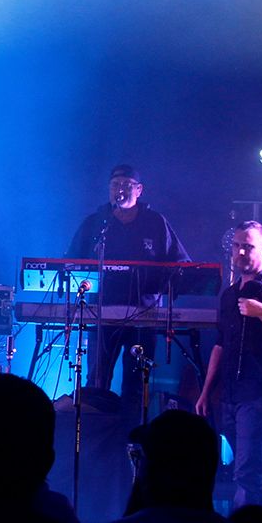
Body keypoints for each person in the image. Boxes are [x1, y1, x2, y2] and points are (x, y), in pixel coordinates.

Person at [195, 221, 262, 510]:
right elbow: (220, 344)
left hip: (260, 391)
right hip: (230, 392)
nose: (241, 252)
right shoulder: (229, 294)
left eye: (248, 247)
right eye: (237, 246)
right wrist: (206, 391)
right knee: (240, 465)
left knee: (247, 471)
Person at [65, 163, 190, 397]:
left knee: (136, 382)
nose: (120, 189)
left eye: (126, 184)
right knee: (97, 379)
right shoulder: (96, 222)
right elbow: (71, 262)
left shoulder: (155, 222)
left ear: (139, 190)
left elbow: (181, 263)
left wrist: (168, 285)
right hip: (101, 312)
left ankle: (131, 420)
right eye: (115, 185)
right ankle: (96, 419)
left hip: (143, 314)